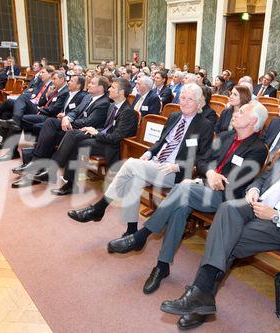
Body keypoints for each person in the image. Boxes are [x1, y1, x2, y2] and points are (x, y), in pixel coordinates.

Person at [160, 114, 280, 330]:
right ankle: (201, 298)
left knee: (227, 239)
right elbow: (262, 177)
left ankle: (199, 297)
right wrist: (254, 189)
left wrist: (275, 215)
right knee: (228, 209)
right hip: (256, 207)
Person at [107, 100, 269, 294]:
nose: (235, 113)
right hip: (199, 188)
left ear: (253, 120)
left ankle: (143, 235)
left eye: (241, 112)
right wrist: (208, 174)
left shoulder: (258, 149)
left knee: (183, 188)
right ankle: (162, 266)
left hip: (225, 199)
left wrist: (200, 181)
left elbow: (235, 183)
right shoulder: (225, 136)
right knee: (179, 207)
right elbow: (202, 161)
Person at [67, 83, 214, 237]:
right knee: (134, 180)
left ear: (199, 102)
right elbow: (160, 142)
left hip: (175, 172)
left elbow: (202, 157)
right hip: (155, 163)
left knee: (130, 164)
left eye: (190, 99)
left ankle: (99, 208)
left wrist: (177, 166)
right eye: (182, 98)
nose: (184, 102)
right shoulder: (174, 117)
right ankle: (131, 231)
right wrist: (149, 153)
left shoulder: (205, 125)